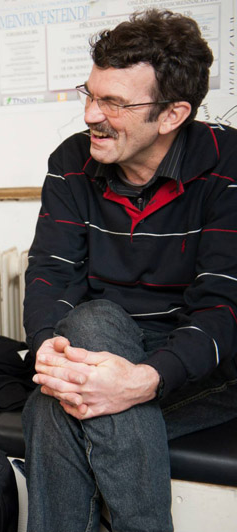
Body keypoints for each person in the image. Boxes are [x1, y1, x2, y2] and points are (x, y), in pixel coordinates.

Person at [22, 9, 237, 532]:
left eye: (114, 103)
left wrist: (142, 380)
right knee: (92, 322)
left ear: (172, 114)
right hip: (98, 347)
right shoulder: (71, 161)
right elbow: (52, 273)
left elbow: (223, 305)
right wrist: (50, 348)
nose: (91, 115)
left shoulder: (229, 165)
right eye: (90, 94)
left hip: (202, 366)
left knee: (51, 413)